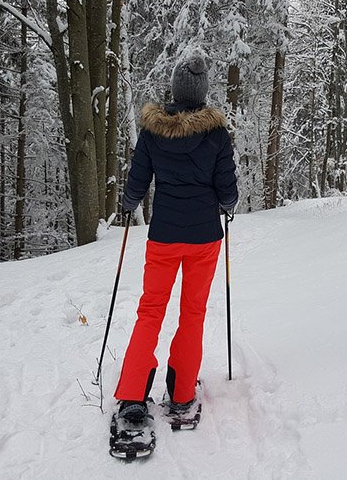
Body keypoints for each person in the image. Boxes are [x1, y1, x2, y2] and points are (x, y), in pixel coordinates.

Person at [114, 48, 238, 424]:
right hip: (204, 238)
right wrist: (227, 204)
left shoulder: (153, 132)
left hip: (164, 235)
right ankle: (183, 393)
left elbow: (138, 179)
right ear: (201, 92)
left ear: (175, 89)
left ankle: (133, 394)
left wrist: (128, 202)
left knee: (150, 311)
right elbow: (228, 188)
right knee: (193, 313)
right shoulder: (216, 134)